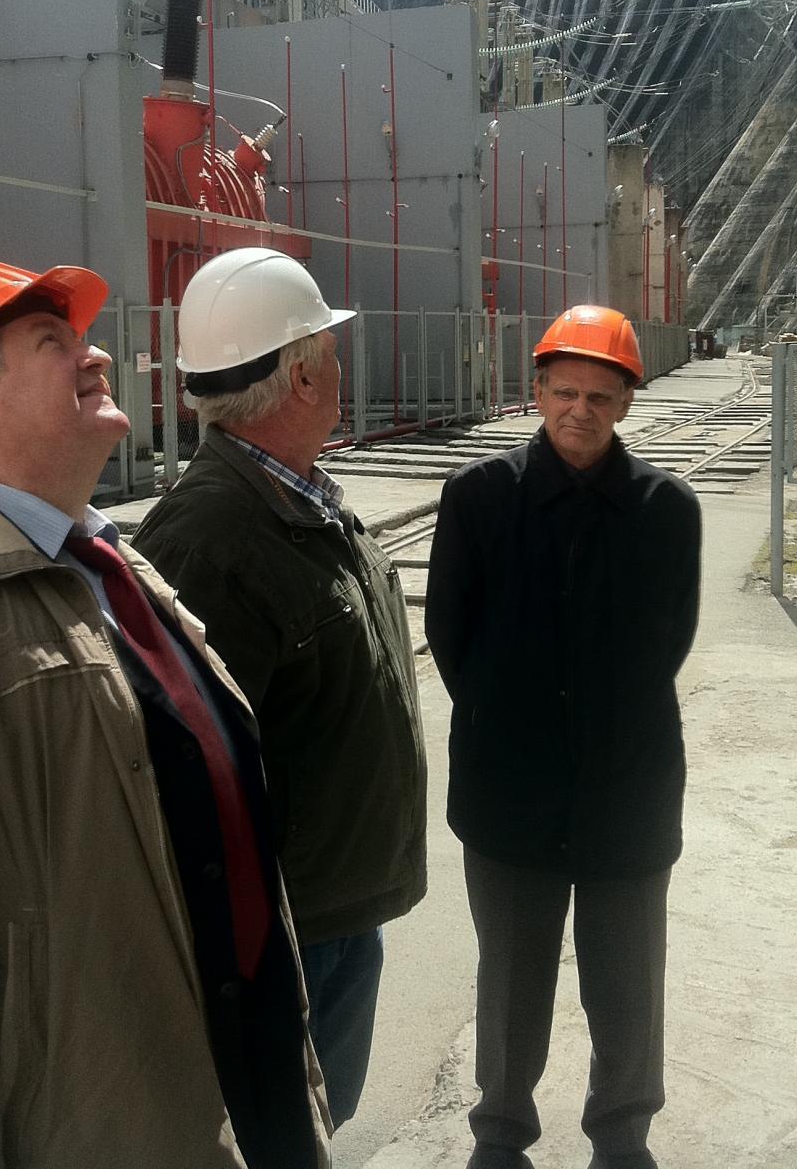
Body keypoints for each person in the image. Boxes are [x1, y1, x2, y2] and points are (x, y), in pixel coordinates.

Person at [0, 261, 330, 1169]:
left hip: (251, 1079)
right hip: (100, 1126)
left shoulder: (115, 565)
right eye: (53, 343)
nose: (97, 356)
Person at [132, 247, 427, 1128]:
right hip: (288, 937)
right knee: (285, 1137)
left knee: (317, 1127)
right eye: (329, 353)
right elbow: (183, 777)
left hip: (332, 912)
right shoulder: (209, 540)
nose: (339, 369)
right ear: (300, 377)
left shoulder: (293, 497)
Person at [425, 304, 702, 1169]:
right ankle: (500, 1133)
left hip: (628, 787)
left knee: (627, 978)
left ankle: (621, 1136)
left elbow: (670, 641)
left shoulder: (665, 508)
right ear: (537, 391)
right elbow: (449, 636)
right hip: (509, 788)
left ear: (626, 402)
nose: (579, 410)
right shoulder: (478, 499)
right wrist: (514, 723)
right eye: (564, 391)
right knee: (512, 978)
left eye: (599, 396)